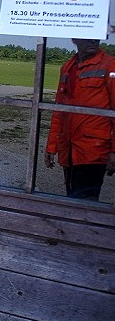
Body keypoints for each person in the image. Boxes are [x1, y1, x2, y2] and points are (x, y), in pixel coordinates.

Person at [44, 38, 115, 200]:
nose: (93, 40)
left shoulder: (110, 65)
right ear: (75, 39)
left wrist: (114, 151)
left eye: (96, 36)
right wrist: (51, 147)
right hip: (69, 150)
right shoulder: (68, 68)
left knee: (85, 201)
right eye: (87, 36)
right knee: (72, 198)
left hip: (93, 151)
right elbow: (59, 111)